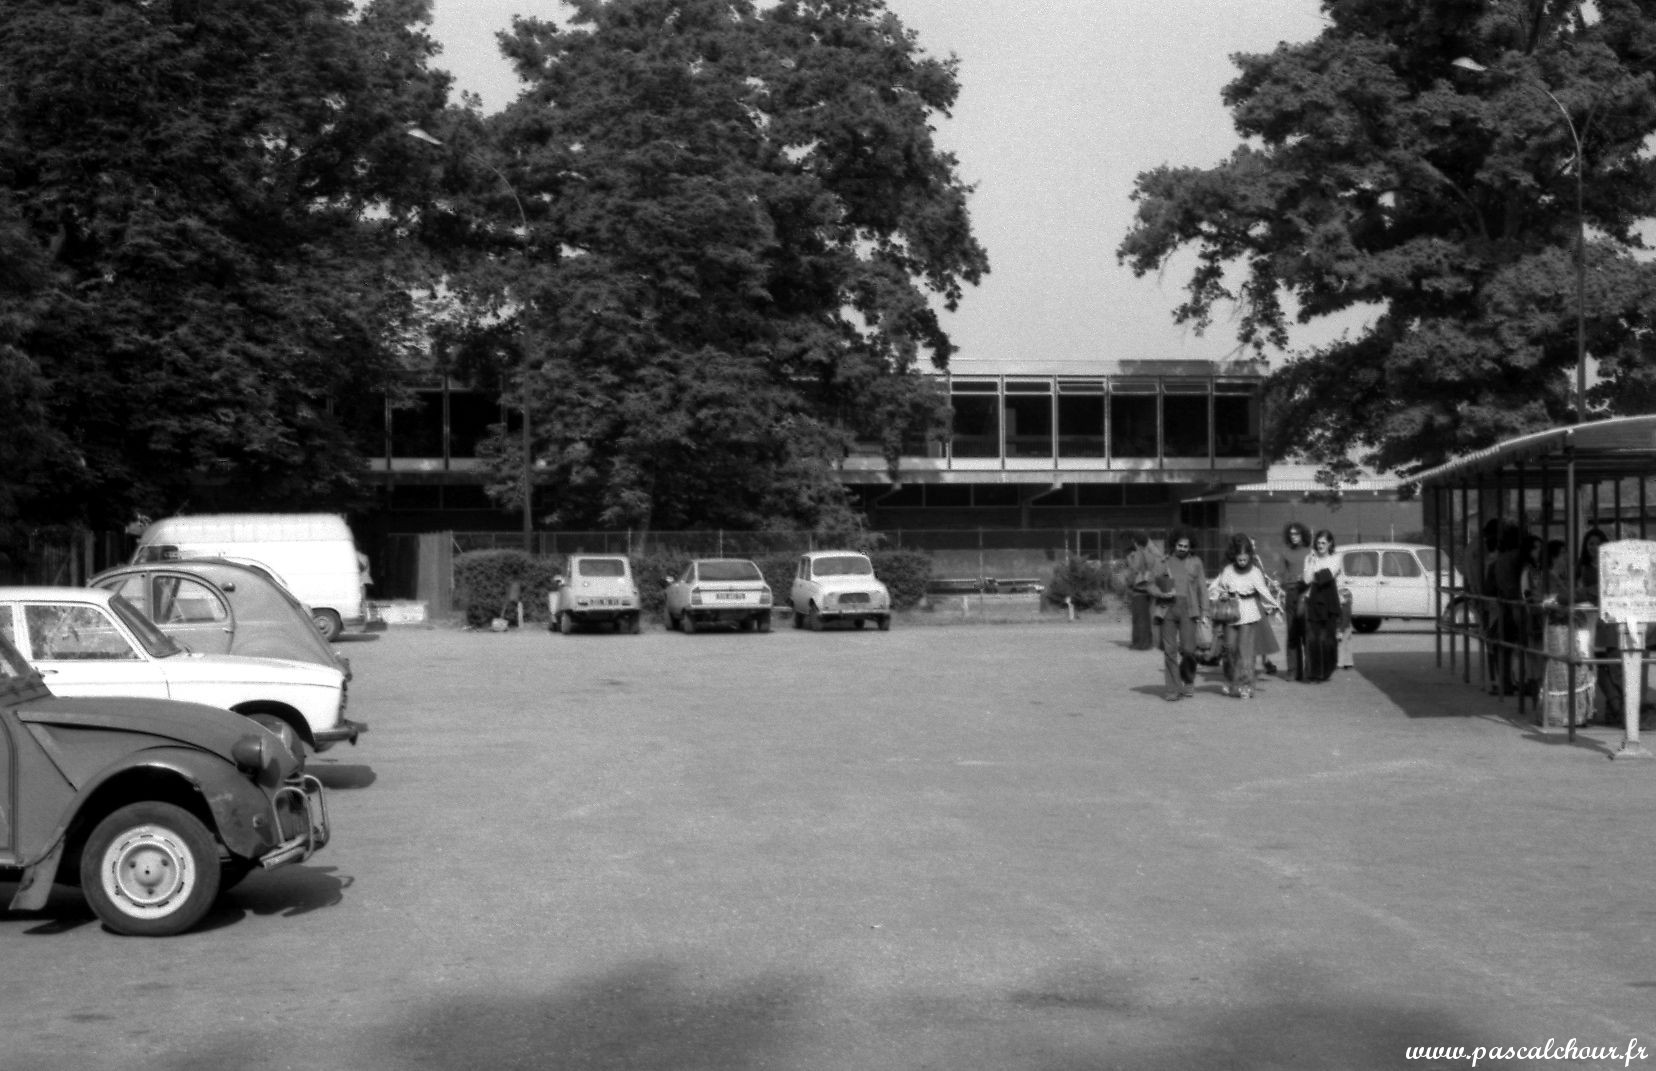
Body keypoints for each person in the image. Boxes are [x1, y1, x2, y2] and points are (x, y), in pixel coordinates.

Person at [1209, 534, 1282, 699]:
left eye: (1245, 559)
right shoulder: (1227, 570)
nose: (1242, 562)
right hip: (1231, 613)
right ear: (1234, 556)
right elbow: (1217, 588)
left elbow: (1264, 591)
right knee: (1230, 649)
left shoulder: (1255, 572)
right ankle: (1231, 681)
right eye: (1239, 559)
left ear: (1249, 556)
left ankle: (1246, 685)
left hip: (1249, 613)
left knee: (1246, 651)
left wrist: (1276, 607)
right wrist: (1222, 595)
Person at [1151, 529, 1209, 702]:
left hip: (1189, 610)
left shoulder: (1196, 562)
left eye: (1186, 546)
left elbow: (1202, 588)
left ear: (1190, 547)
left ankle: (1188, 681)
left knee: (1189, 650)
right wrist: (1161, 594)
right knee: (1170, 651)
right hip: (1168, 610)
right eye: (1180, 545)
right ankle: (1173, 689)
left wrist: (1205, 611)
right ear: (1174, 544)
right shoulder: (1163, 562)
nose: (1183, 548)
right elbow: (1151, 585)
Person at [1302, 529, 1346, 682]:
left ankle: (1327, 669)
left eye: (1323, 543)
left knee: (1327, 638)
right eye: (1318, 543)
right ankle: (1314, 672)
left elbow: (1327, 575)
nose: (1320, 546)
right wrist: (1313, 563)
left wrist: (1316, 574)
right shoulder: (1310, 558)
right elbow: (1307, 580)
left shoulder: (1336, 558)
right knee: (1313, 638)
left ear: (1330, 544)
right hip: (1313, 600)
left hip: (1329, 601)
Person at [1274, 522, 1312, 681]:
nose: (1294, 537)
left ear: (1302, 534)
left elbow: (1314, 572)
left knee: (1307, 633)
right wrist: (1280, 582)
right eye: (1292, 534)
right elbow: (1281, 574)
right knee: (1292, 633)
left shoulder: (1310, 552)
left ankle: (1308, 670)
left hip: (1306, 593)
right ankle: (1293, 670)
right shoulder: (1285, 552)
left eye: (1297, 534)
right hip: (1291, 593)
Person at [1124, 532, 1159, 651]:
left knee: (1139, 617)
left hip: (1139, 588)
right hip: (1149, 588)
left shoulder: (1138, 554)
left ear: (1136, 542)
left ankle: (1140, 643)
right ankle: (1148, 642)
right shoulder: (1151, 554)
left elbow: (1135, 568)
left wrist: (1129, 560)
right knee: (1146, 617)